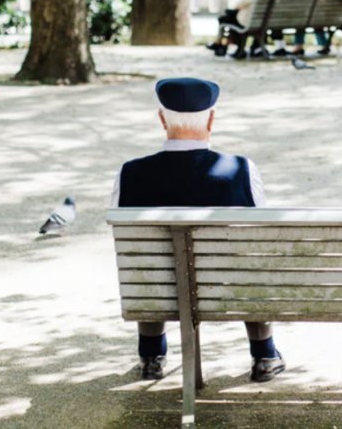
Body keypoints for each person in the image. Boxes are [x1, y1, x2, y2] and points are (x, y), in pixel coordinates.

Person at [111, 77, 285, 383]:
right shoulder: (242, 169)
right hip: (228, 289)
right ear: (212, 119)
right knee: (251, 259)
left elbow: (128, 240)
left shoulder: (130, 173)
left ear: (162, 119)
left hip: (159, 291)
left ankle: (151, 356)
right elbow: (260, 232)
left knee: (149, 264)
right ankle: (264, 354)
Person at [207, 0, 275, 59]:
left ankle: (222, 44)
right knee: (228, 17)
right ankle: (221, 44)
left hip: (250, 22)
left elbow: (240, 5)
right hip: (264, 21)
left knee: (225, 18)